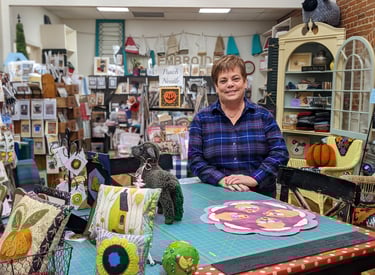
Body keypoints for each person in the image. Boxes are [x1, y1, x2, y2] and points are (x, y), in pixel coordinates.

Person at [188, 55, 289, 198]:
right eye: (223, 81)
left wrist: (255, 178)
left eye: (235, 79)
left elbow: (280, 153)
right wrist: (222, 180)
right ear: (216, 87)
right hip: (216, 196)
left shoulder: (264, 116)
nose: (230, 84)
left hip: (259, 197)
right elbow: (195, 160)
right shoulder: (201, 120)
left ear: (245, 82)